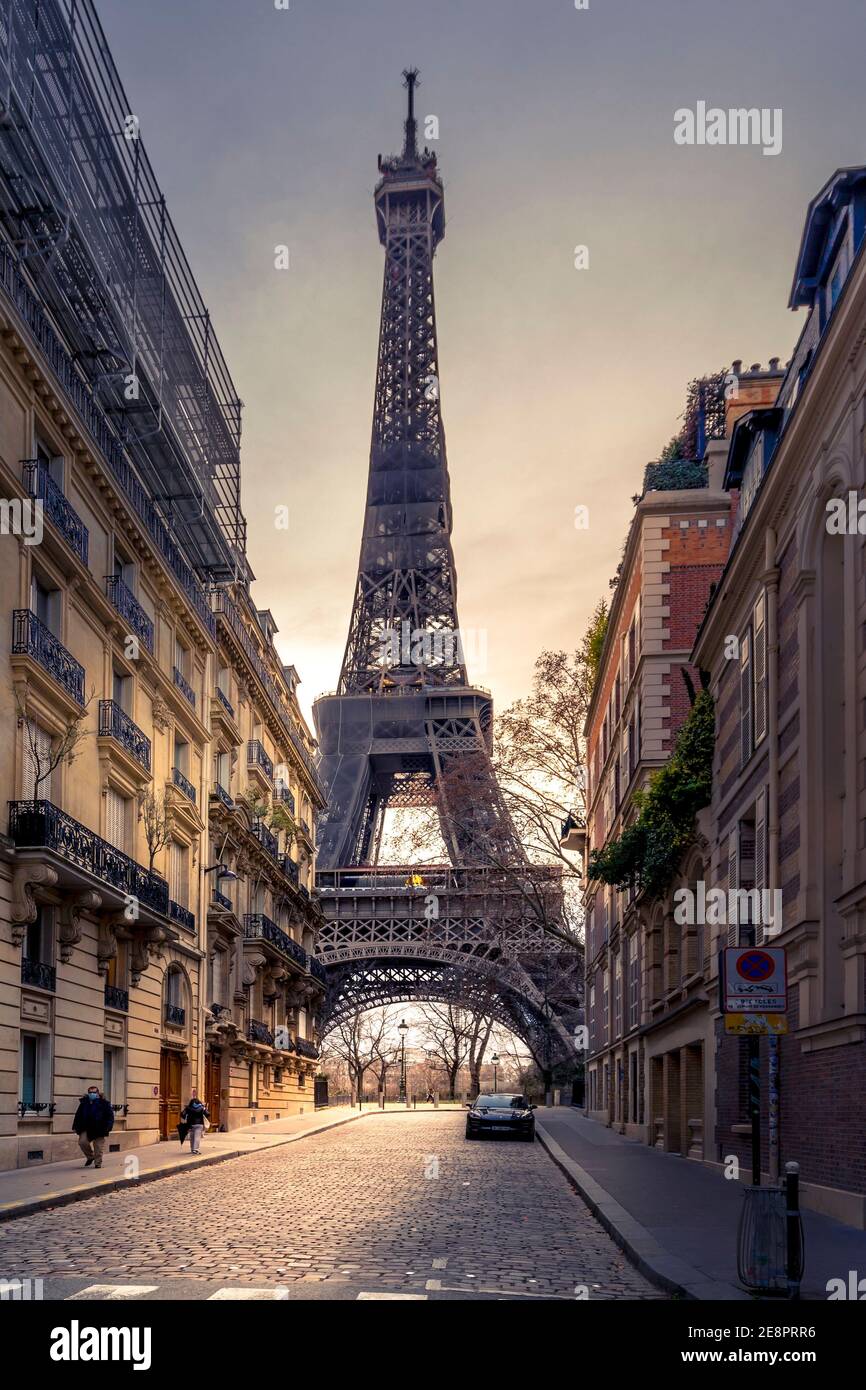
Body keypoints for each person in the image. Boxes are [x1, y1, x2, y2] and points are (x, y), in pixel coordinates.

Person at [72, 1085, 115, 1168]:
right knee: (82, 1142)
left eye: (94, 1092)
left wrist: (108, 1127)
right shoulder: (84, 1103)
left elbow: (110, 1116)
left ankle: (97, 1163)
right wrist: (75, 1127)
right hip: (86, 1128)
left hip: (100, 1128)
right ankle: (90, 1157)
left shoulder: (104, 1103)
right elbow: (78, 1116)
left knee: (98, 1147)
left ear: (98, 1093)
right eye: (90, 1092)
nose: (92, 1094)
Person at [181, 1089, 209, 1154]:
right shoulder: (201, 1107)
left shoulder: (188, 1107)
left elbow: (182, 1114)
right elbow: (208, 1114)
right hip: (199, 1124)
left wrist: (186, 1116)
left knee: (192, 1137)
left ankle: (192, 1149)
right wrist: (205, 1108)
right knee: (197, 1137)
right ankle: (195, 1149)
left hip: (191, 1124)